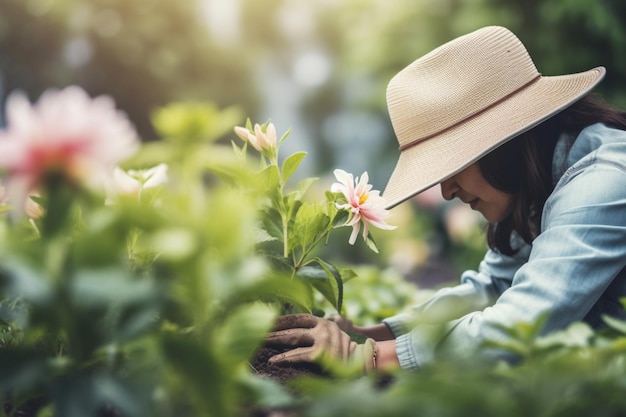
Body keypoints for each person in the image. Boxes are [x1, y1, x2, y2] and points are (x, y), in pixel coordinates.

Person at [264, 25, 626, 372]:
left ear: (506, 143)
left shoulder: (604, 181)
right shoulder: (535, 182)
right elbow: (492, 288)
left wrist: (368, 358)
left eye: (453, 166)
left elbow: (525, 320)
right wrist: (366, 336)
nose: (445, 191)